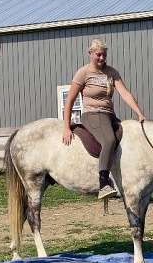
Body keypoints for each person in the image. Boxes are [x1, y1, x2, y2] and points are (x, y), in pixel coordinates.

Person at [62, 39, 145, 199]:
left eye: (104, 55)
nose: (101, 58)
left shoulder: (111, 72)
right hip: (92, 115)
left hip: (109, 115)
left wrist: (139, 113)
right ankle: (104, 183)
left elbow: (125, 94)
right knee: (109, 141)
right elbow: (70, 101)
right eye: (98, 55)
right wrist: (66, 126)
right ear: (91, 54)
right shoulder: (83, 73)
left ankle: (123, 179)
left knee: (127, 138)